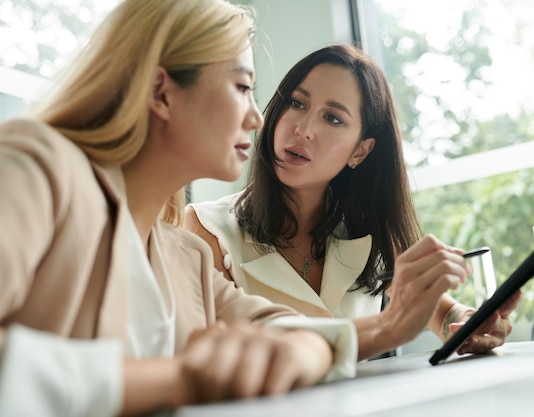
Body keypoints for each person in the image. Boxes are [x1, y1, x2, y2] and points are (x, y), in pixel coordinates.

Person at [0, 2, 361, 416]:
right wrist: (181, 380)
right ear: (161, 93)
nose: (257, 118)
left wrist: (303, 349)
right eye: (243, 88)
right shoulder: (36, 169)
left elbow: (298, 332)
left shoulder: (184, 255)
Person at [184, 44, 521, 361]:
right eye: (297, 103)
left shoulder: (368, 233)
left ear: (361, 151)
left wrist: (468, 322)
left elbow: (439, 311)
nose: (303, 129)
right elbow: (217, 357)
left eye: (332, 118)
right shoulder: (206, 230)